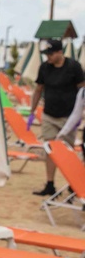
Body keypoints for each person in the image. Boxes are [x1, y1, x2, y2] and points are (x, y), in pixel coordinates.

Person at [29, 38, 85, 196]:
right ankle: (50, 184)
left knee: (68, 152)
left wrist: (80, 113)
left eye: (51, 54)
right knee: (50, 150)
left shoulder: (74, 67)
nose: (48, 57)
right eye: (46, 54)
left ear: (60, 52)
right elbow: (39, 89)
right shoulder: (45, 68)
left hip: (69, 117)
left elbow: (82, 90)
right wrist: (32, 111)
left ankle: (73, 184)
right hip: (49, 114)